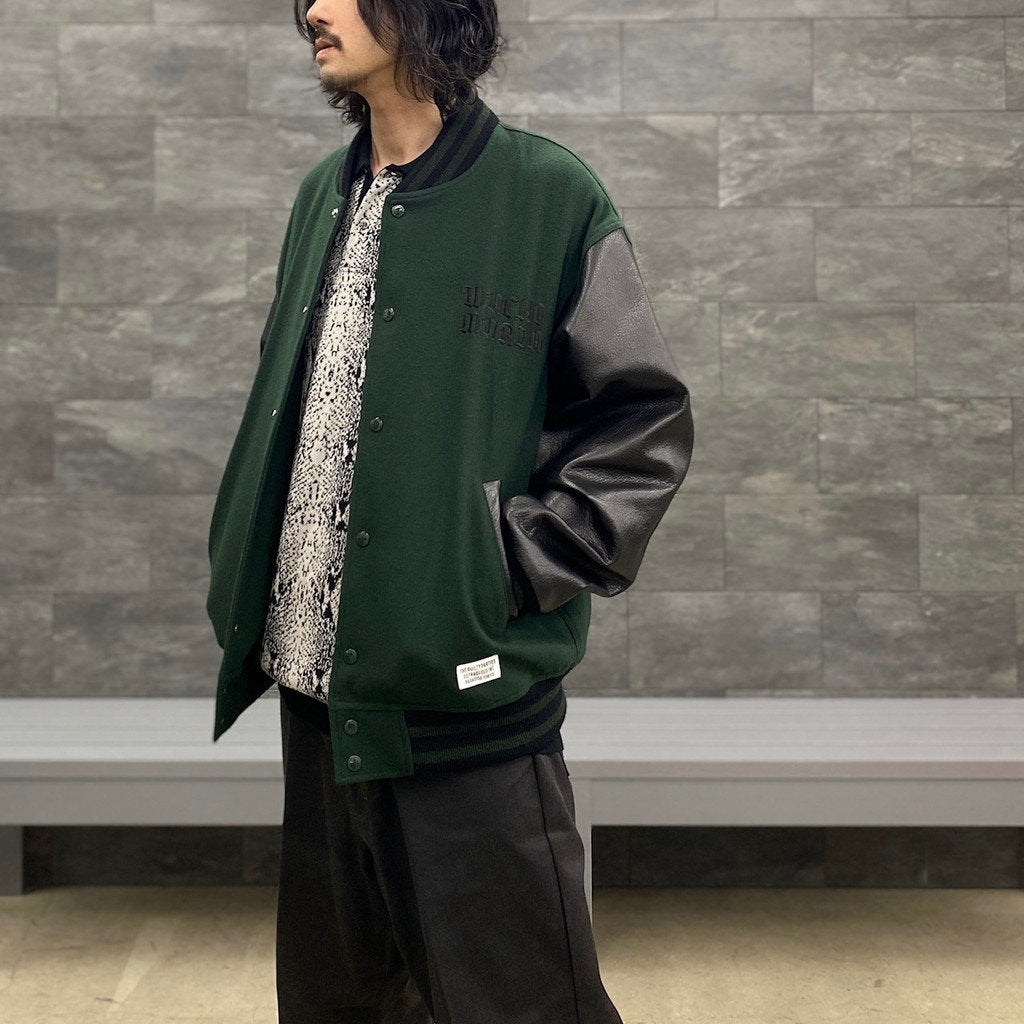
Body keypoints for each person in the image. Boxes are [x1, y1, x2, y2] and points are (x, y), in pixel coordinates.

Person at [205, 1, 694, 1021]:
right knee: (338, 1005)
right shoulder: (322, 194)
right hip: (318, 701)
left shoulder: (548, 196)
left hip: (468, 715)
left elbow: (640, 424)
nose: (312, 11)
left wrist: (501, 569)